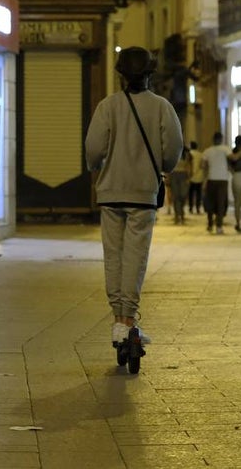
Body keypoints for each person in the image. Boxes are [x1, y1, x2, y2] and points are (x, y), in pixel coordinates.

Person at [85, 47, 183, 348]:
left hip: (110, 192)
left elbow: (93, 148)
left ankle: (118, 320)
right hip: (143, 192)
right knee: (135, 257)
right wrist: (164, 168)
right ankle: (128, 319)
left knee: (113, 255)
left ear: (121, 75)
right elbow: (173, 149)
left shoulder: (107, 106)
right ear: (150, 74)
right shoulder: (162, 107)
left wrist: (97, 166)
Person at [201, 132, 231, 234]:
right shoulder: (226, 149)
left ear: (213, 139)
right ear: (221, 139)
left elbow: (203, 166)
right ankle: (219, 226)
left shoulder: (207, 151)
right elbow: (232, 159)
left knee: (210, 202)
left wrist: (205, 178)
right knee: (220, 203)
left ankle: (210, 224)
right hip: (223, 180)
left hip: (211, 179)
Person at [169, 147, 192, 225]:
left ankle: (180, 213)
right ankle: (178, 215)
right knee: (176, 196)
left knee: (182, 196)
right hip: (175, 174)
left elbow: (189, 166)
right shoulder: (173, 153)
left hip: (182, 174)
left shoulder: (186, 154)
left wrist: (189, 177)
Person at [187, 141, 205, 214]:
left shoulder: (189, 153)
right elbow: (203, 165)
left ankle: (191, 208)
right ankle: (198, 208)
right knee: (198, 194)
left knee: (191, 193)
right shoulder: (201, 154)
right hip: (199, 176)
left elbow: (188, 164)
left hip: (191, 176)